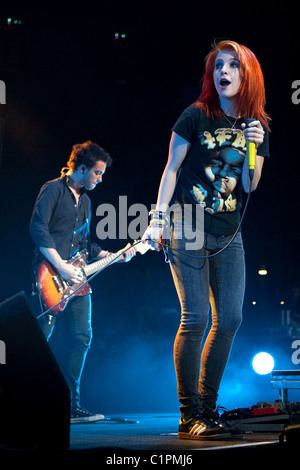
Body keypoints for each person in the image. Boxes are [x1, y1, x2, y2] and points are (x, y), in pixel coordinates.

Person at [142, 40, 270, 440]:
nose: (223, 72)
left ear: (247, 74)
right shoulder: (197, 115)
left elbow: (250, 183)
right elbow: (171, 169)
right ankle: (188, 414)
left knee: (230, 319)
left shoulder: (258, 127)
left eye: (232, 65)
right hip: (187, 222)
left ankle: (207, 409)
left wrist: (252, 146)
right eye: (218, 66)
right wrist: (157, 219)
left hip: (229, 231)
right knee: (195, 317)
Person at [30, 140, 135, 423]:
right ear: (82, 168)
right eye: (98, 173)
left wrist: (112, 255)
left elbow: (85, 245)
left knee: (81, 338)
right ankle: (27, 402)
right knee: (39, 339)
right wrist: (61, 266)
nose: (100, 179)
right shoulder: (53, 189)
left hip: (77, 281)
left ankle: (70, 405)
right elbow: (38, 229)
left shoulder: (86, 201)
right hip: (50, 276)